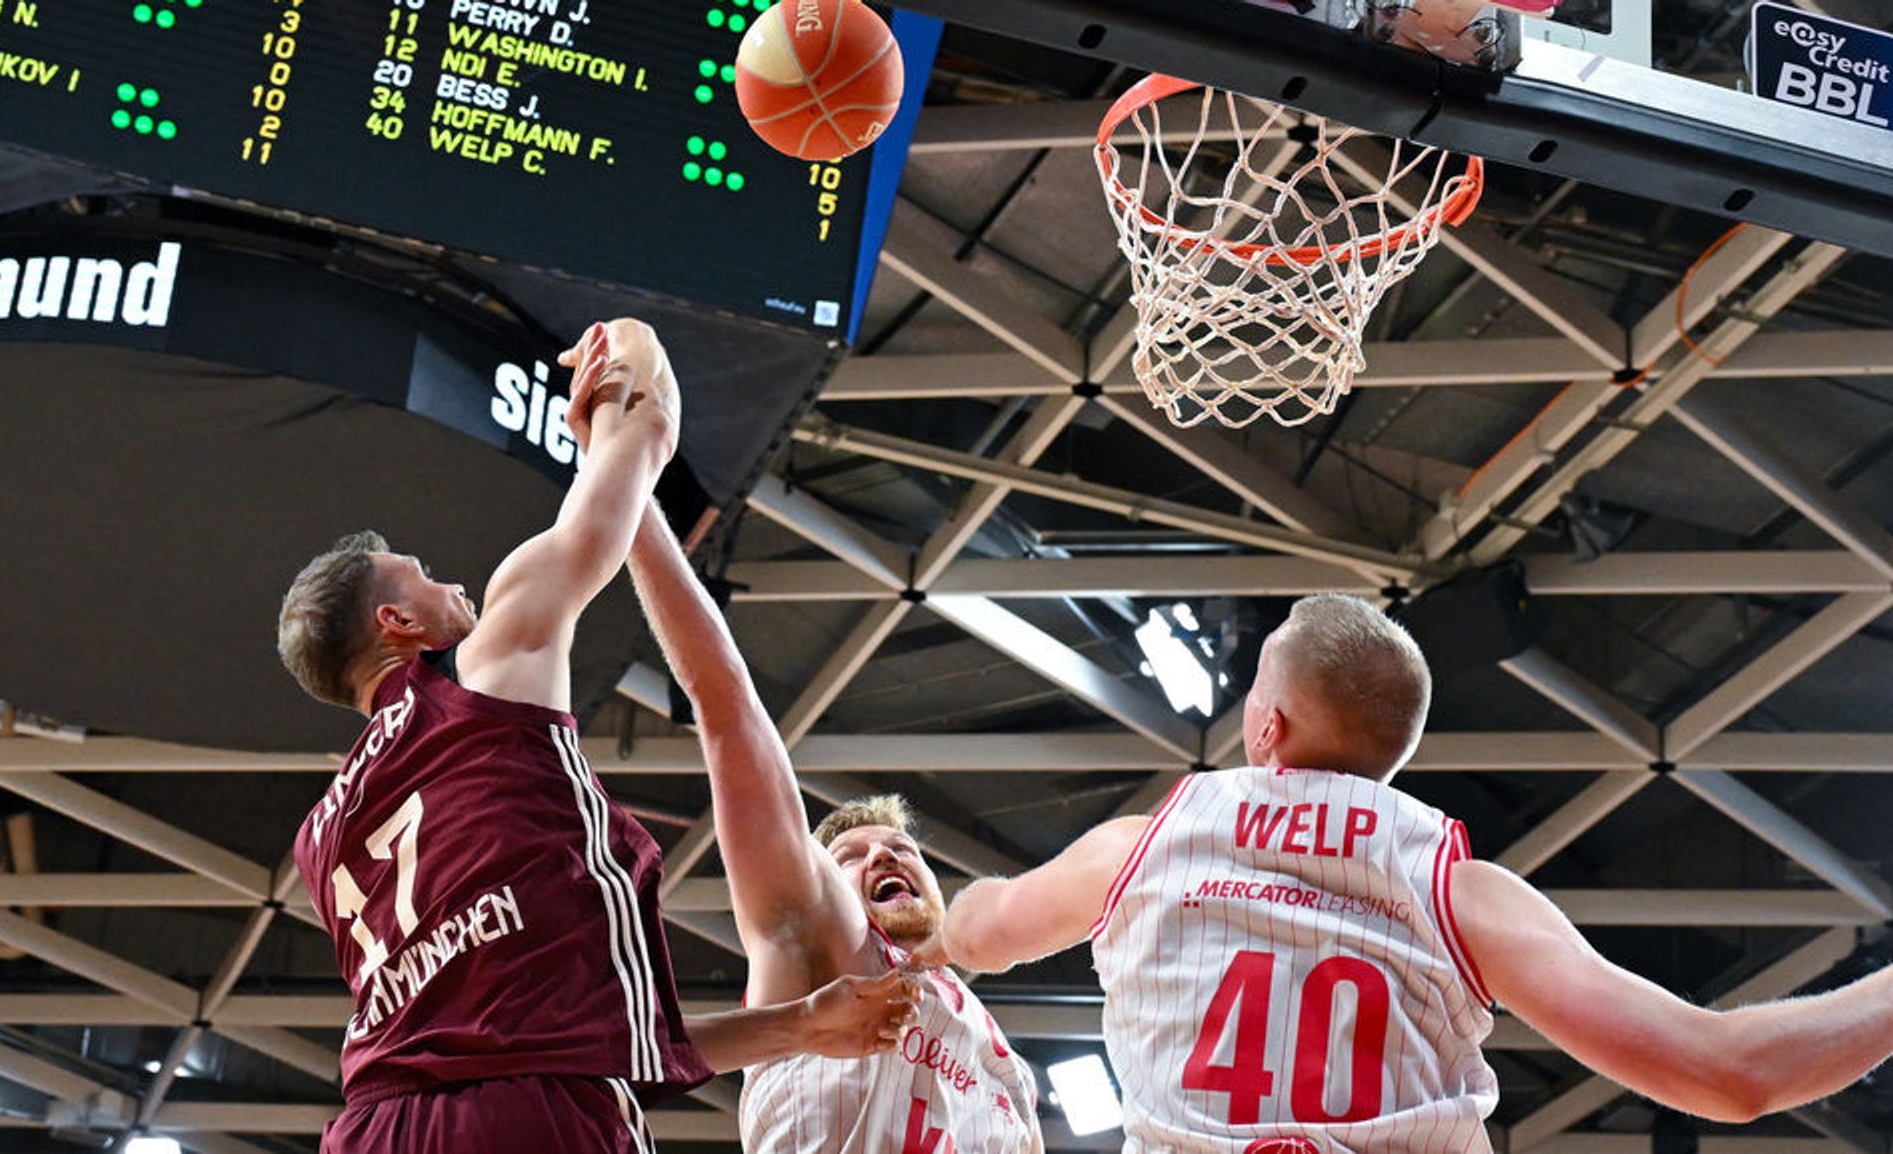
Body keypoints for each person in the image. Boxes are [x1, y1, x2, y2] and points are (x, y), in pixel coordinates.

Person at [930, 593, 1893, 1152]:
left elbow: (981, 931)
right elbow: (1731, 1074)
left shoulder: (1144, 843)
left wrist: (922, 915)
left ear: (1265, 730)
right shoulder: (1457, 888)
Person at [277, 319, 918, 1154]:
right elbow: (649, 431)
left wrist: (797, 1025)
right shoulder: (486, 659)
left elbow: (554, 1033)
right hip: (525, 1116)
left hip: (373, 1128)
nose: (454, 581)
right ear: (397, 623)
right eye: (426, 576)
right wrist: (632, 347)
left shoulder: (321, 840)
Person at [626, 500, 1043, 1153]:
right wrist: (629, 491)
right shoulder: (823, 938)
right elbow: (726, 704)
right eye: (852, 855)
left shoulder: (1001, 1059)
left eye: (902, 848)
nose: (883, 857)